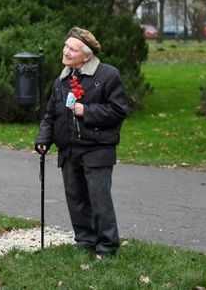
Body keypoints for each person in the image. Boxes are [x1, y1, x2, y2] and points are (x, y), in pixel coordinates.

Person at [35, 27, 129, 257]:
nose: (66, 52)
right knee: (76, 198)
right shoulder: (63, 79)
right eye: (66, 46)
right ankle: (85, 241)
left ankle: (107, 247)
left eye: (72, 49)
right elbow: (50, 114)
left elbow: (119, 110)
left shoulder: (108, 75)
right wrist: (43, 139)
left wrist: (86, 110)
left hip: (97, 148)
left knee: (99, 199)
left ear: (86, 56)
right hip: (69, 149)